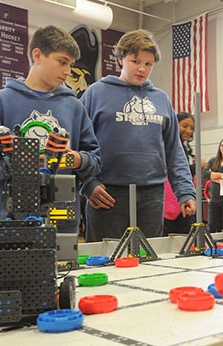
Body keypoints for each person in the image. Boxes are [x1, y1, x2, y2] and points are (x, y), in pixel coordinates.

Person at [0, 25, 101, 233]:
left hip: (62, 219)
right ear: (38, 55)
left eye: (71, 64)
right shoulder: (3, 100)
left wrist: (78, 159)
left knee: (63, 263)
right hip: (11, 220)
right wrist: (6, 164)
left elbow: (95, 158)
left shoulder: (75, 106)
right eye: (62, 62)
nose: (68, 71)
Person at [81, 29, 196, 241]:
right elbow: (78, 145)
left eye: (148, 64)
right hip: (107, 194)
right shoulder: (95, 94)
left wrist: (185, 191)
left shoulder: (161, 99)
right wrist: (88, 184)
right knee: (105, 261)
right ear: (120, 59)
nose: (142, 69)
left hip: (152, 195)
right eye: (135, 61)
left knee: (148, 261)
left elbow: (174, 151)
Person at [164, 112, 200, 234]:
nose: (189, 130)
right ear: (175, 125)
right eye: (184, 126)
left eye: (192, 128)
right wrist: (196, 167)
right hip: (168, 199)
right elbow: (173, 170)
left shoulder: (185, 148)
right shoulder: (168, 146)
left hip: (182, 199)